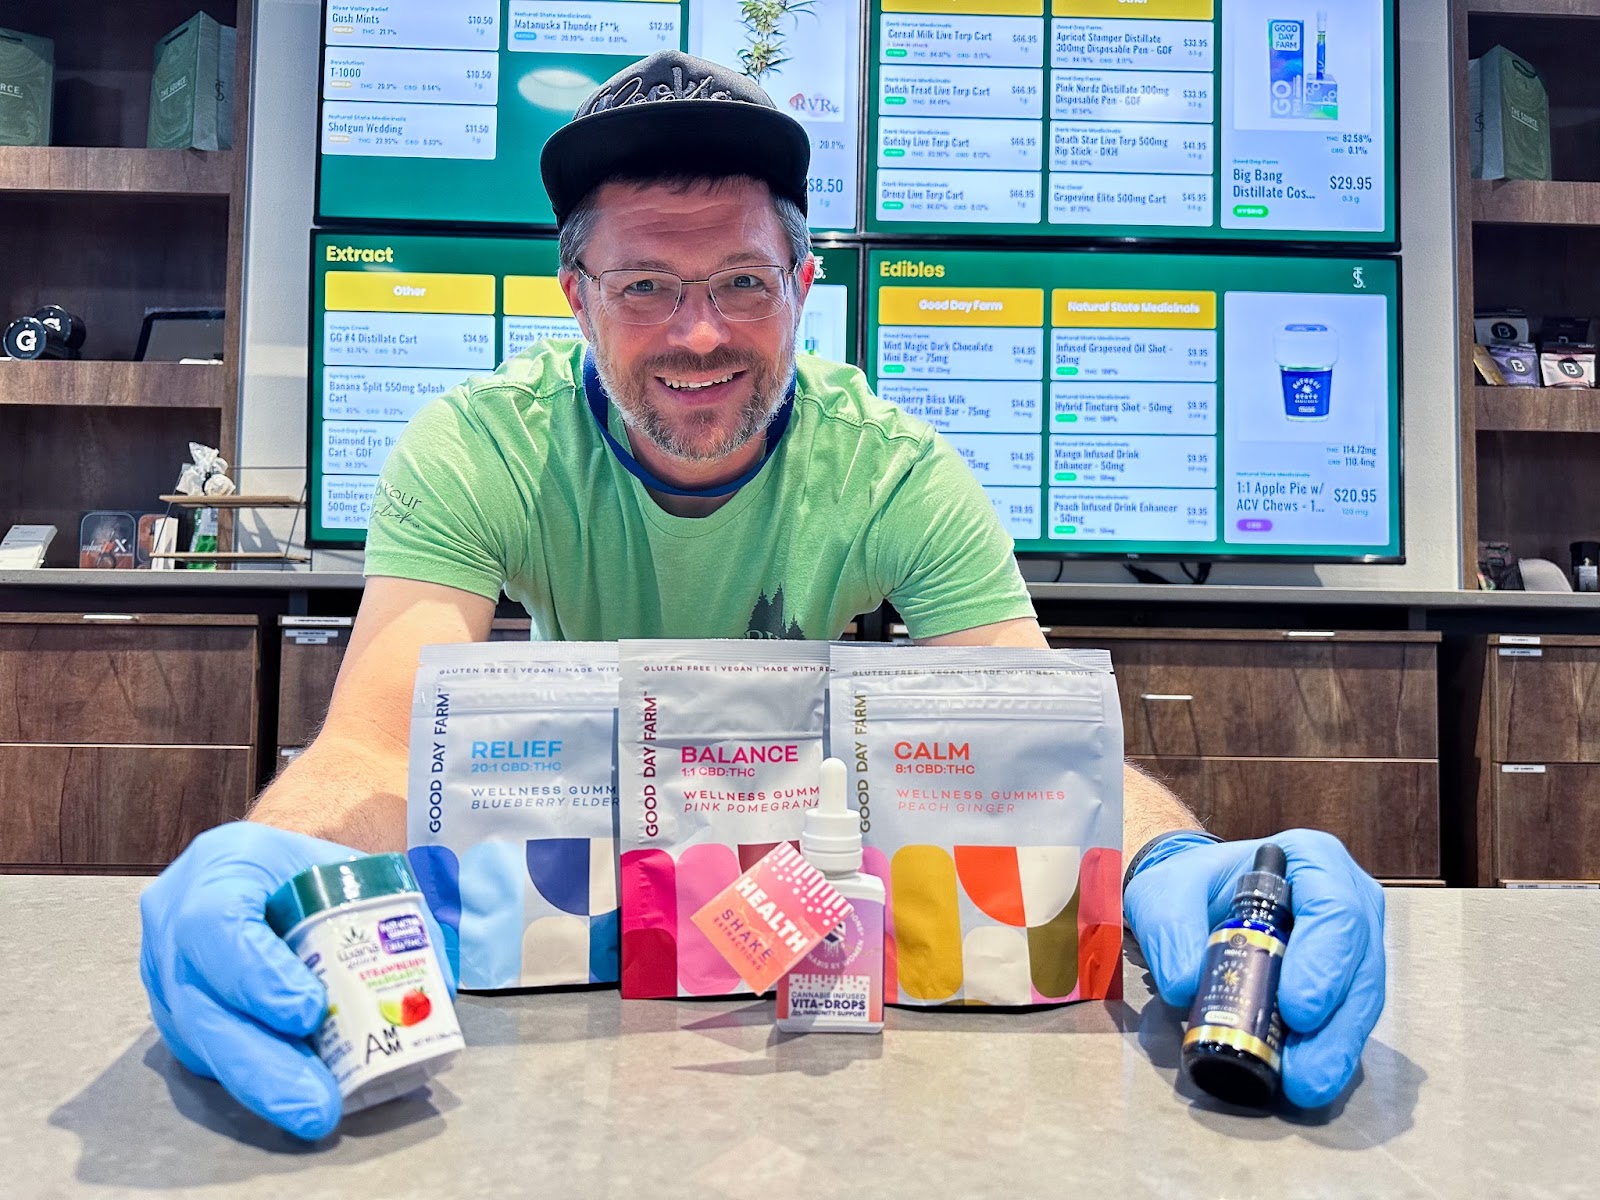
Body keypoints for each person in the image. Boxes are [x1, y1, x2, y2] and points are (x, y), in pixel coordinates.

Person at [138, 51, 1385, 1140]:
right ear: (575, 294)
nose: (698, 335)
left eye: (740, 280)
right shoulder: (479, 448)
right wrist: (285, 859)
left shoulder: (895, 469)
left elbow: (1037, 740)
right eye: (646, 288)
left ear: (802, 280)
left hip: (808, 938)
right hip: (571, 931)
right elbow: (376, 744)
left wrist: (1182, 861)